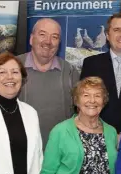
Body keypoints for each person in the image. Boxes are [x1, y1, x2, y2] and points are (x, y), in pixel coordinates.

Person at [41, 76, 117, 174]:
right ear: (77, 100)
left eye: (97, 95)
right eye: (86, 95)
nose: (92, 100)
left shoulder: (111, 132)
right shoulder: (60, 131)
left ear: (104, 101)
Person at [80, 12, 121, 136]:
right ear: (107, 35)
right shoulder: (91, 64)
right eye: (117, 30)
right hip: (98, 136)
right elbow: (82, 103)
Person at [17, 18, 79, 149]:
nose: (48, 42)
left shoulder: (70, 72)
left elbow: (80, 114)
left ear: (59, 43)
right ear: (31, 39)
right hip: (20, 151)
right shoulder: (12, 68)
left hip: (59, 153)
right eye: (42, 34)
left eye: (54, 37)